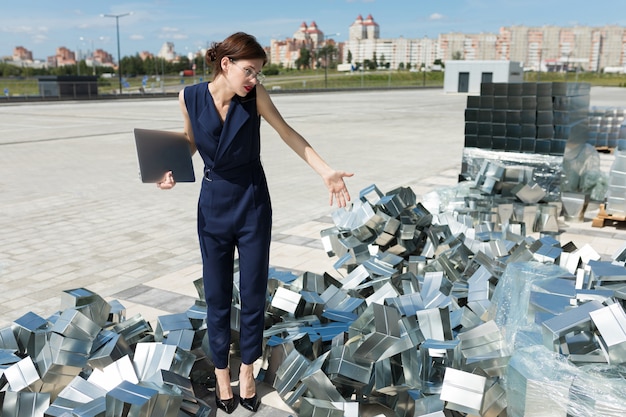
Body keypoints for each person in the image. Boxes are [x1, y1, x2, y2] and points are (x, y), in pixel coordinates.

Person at [157, 32, 352, 413]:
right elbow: (192, 140)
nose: (254, 79)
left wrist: (326, 171)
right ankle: (220, 375)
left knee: (252, 293)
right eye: (249, 71)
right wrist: (171, 169)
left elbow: (287, 133)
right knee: (215, 296)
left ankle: (246, 370)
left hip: (252, 202)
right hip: (213, 203)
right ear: (225, 64)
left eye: (259, 72)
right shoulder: (188, 96)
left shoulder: (255, 97)